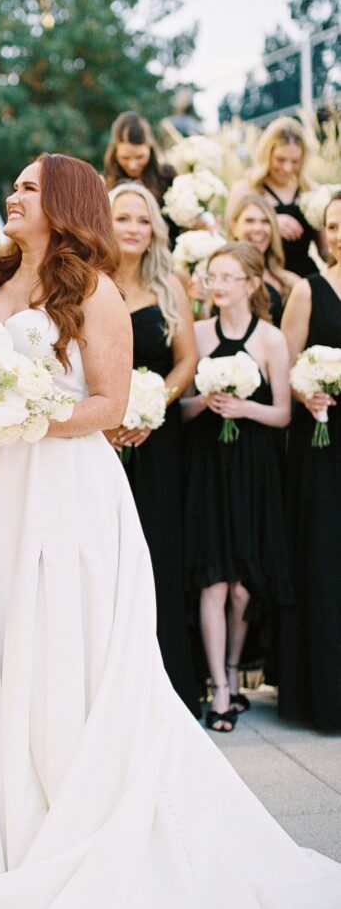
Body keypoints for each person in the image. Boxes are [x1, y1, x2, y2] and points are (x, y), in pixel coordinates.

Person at [0, 160, 341, 908]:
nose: (14, 195)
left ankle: (60, 811)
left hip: (63, 488)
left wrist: (18, 413)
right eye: (15, 187)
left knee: (60, 645)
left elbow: (109, 405)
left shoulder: (92, 291)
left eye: (28, 188)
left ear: (63, 203)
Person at [181, 243, 292, 732]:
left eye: (229, 277)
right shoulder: (198, 333)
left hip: (252, 470)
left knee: (243, 588)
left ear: (252, 284)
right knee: (213, 582)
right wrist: (205, 401)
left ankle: (233, 670)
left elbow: (283, 413)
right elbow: (181, 409)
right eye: (213, 277)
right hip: (209, 467)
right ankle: (220, 690)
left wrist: (245, 408)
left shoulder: (270, 339)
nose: (218, 286)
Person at [107, 182, 199, 715]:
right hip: (102, 440)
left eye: (143, 220)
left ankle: (168, 690)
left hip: (158, 441)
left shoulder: (170, 287)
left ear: (155, 229)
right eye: (123, 218)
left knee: (158, 550)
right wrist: (111, 414)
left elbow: (186, 360)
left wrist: (149, 407)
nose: (134, 228)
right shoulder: (88, 280)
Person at [279, 192, 341, 732]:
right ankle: (324, 696)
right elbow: (287, 367)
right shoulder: (308, 290)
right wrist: (306, 391)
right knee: (325, 558)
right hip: (323, 442)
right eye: (333, 226)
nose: (339, 235)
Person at [225, 116, 325, 277]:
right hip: (259, 277)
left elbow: (325, 251)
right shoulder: (244, 189)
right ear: (267, 154)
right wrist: (270, 222)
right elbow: (230, 240)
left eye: (295, 161)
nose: (287, 168)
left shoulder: (313, 192)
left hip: (304, 276)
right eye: (280, 159)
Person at [102, 111, 179, 242]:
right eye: (125, 158)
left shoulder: (167, 177)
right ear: (115, 153)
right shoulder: (106, 183)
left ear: (150, 149)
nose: (132, 165)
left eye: (140, 157)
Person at [228, 192, 299, 327]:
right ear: (234, 227)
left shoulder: (290, 282)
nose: (258, 229)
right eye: (250, 221)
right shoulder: (217, 276)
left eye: (265, 221)